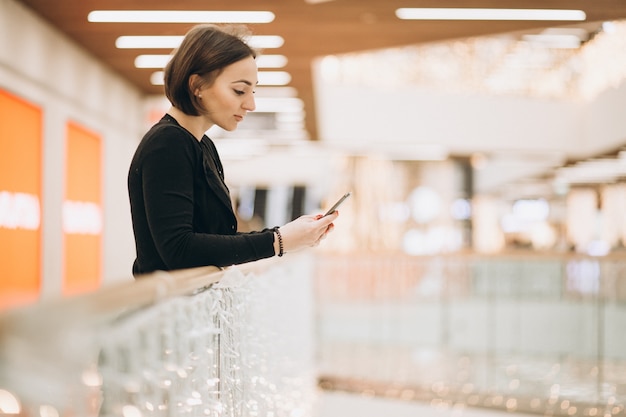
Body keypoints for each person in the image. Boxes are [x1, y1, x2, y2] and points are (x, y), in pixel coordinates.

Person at [127, 24, 338, 277]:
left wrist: (288, 235)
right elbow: (179, 249)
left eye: (253, 91)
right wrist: (279, 241)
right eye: (239, 90)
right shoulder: (168, 144)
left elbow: (218, 240)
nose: (250, 104)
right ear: (197, 85)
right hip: (169, 310)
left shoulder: (202, 145)